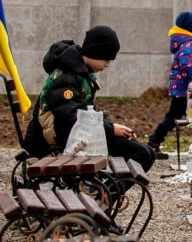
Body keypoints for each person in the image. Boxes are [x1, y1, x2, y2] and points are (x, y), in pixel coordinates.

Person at [25, 25, 156, 171]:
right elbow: (70, 118)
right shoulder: (66, 77)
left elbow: (88, 112)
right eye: (106, 58)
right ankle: (106, 193)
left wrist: (112, 127)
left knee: (148, 153)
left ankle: (106, 192)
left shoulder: (81, 74)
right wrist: (110, 128)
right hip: (62, 136)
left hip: (78, 133)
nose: (107, 64)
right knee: (142, 154)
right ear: (95, 52)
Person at [147, 11, 192, 159]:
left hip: (182, 90)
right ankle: (153, 142)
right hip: (186, 91)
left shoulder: (185, 43)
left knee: (191, 117)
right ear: (190, 28)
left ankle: (154, 142)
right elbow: (187, 67)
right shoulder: (188, 44)